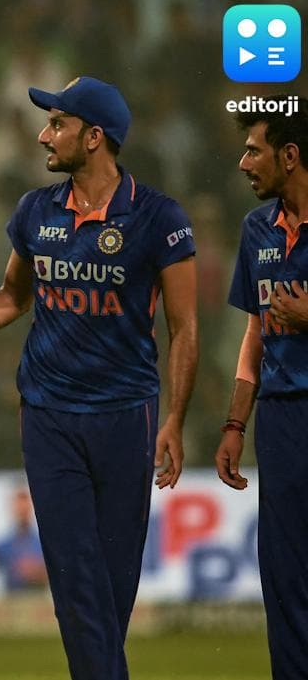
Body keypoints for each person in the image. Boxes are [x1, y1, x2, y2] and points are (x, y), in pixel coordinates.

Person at [0, 76, 198, 679]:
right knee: (75, 581)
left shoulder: (158, 218)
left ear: (94, 137)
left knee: (113, 589)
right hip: (48, 414)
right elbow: (13, 296)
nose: (43, 135)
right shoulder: (36, 210)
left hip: (126, 415)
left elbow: (185, 328)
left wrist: (175, 419)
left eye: (57, 124)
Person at [216, 98, 308, 678]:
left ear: (289, 155)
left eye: (254, 151)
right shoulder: (256, 230)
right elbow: (256, 331)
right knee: (285, 573)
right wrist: (234, 423)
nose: (243, 163)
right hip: (280, 421)